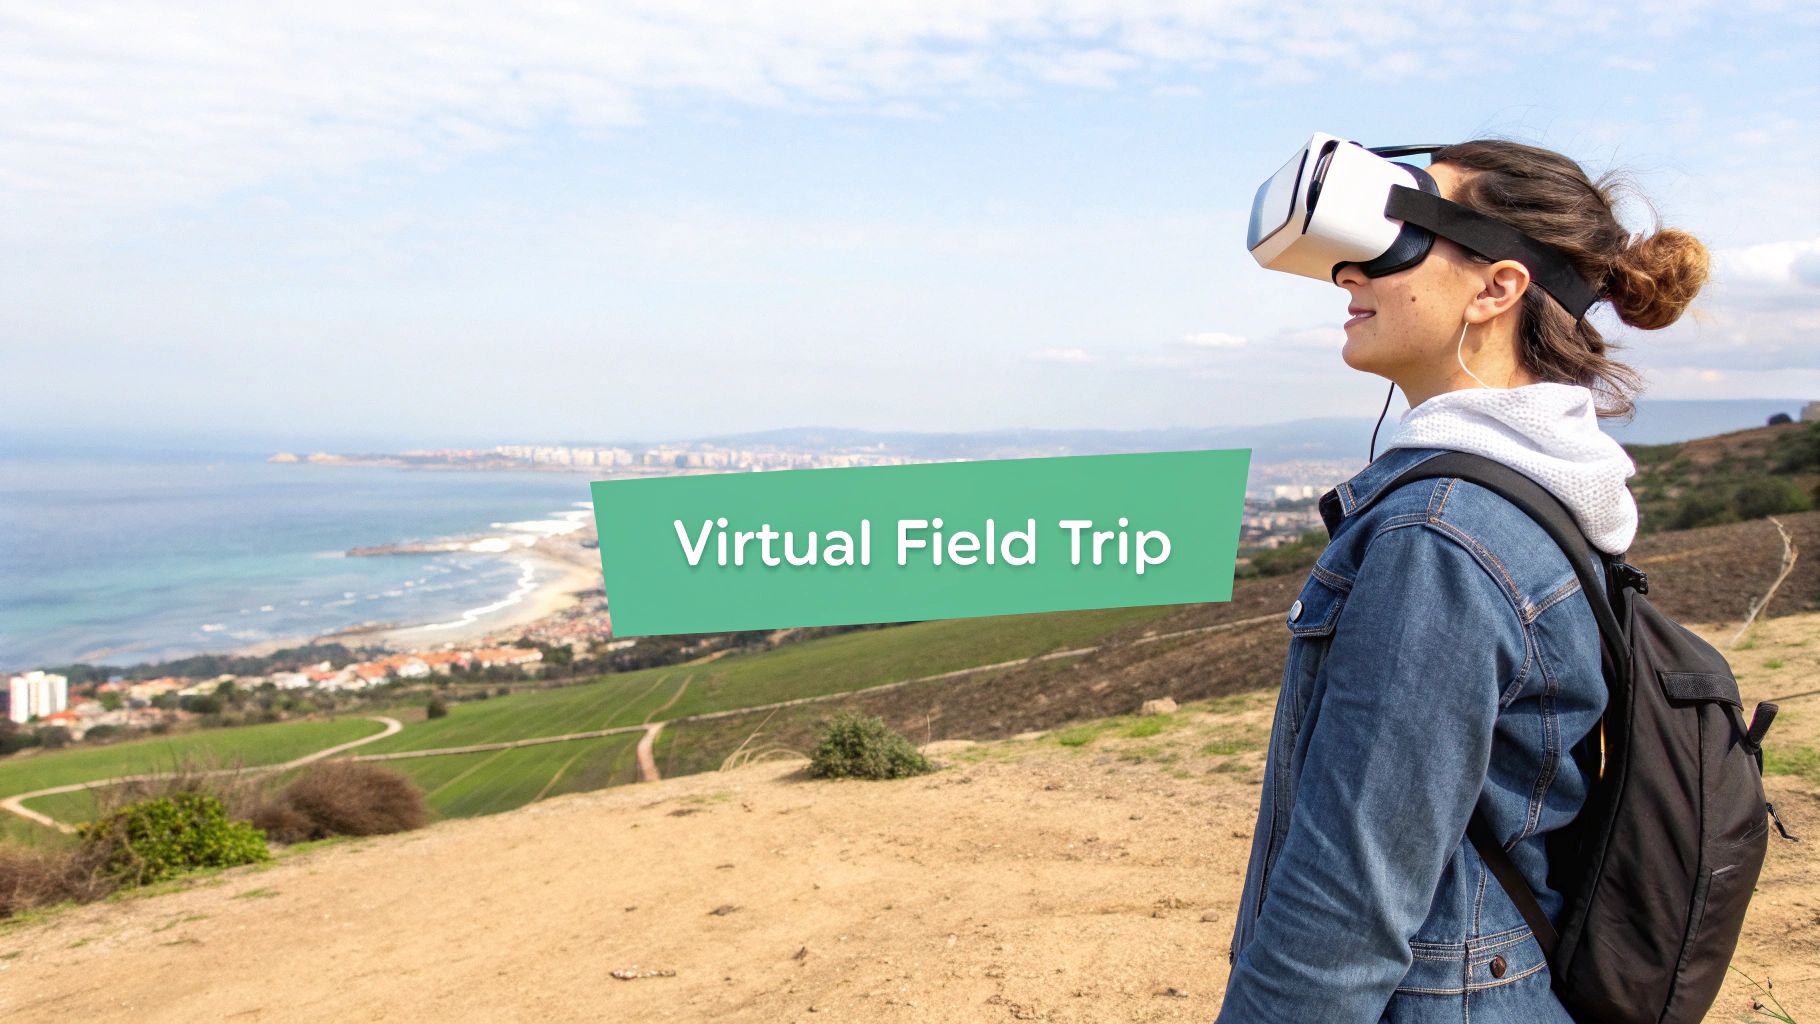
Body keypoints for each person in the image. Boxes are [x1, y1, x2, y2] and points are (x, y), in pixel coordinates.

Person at [1217, 140, 1710, 1022]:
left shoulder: (1440, 534)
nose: (1348, 274)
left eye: (1397, 238)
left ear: (1497, 289)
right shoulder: (1543, 489)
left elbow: (1346, 910)